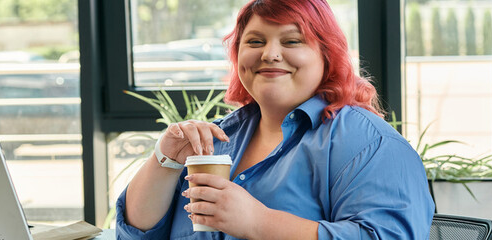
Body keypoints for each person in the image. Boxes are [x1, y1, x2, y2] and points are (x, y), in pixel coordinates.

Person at [116, 0, 435, 239]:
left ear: (326, 55)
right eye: (254, 42)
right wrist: (165, 159)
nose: (269, 54)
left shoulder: (369, 144)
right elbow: (135, 233)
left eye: (292, 41)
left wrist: (259, 222)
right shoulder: (219, 138)